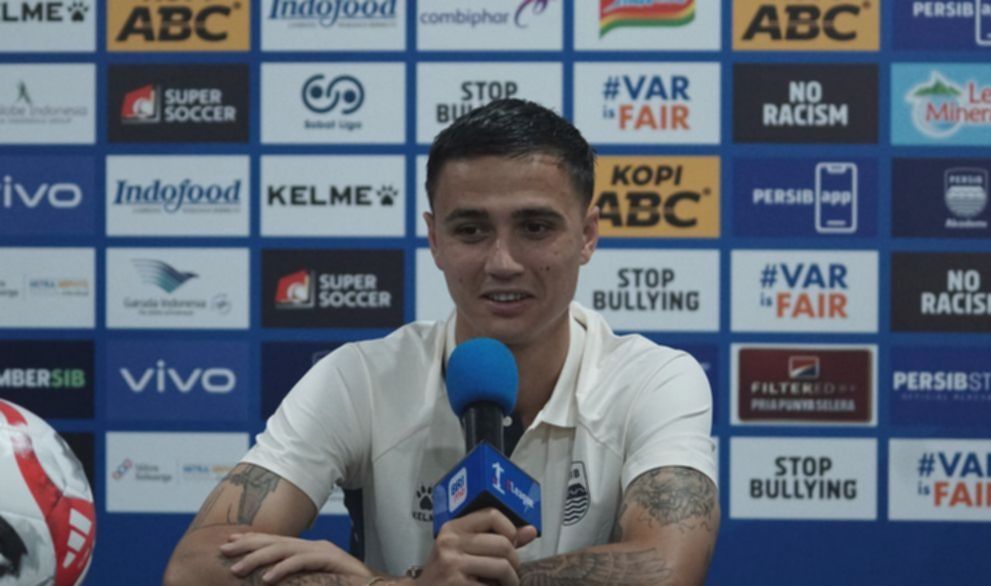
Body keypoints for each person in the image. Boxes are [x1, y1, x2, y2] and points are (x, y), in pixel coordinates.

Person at [163, 99, 719, 586]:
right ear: (434, 238)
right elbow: (192, 570)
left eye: (535, 227)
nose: (502, 262)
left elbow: (668, 570)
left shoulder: (652, 379)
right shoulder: (361, 378)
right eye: (471, 230)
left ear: (588, 235)